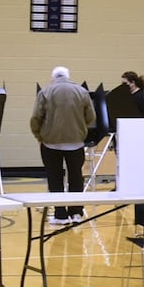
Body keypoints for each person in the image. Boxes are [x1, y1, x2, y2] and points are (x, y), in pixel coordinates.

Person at [30, 65, 96, 225]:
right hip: (76, 143)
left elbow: (36, 118)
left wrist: (39, 136)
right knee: (76, 177)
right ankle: (76, 213)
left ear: (53, 77)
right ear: (68, 76)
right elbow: (91, 116)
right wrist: (80, 129)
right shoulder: (81, 91)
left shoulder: (45, 92)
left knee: (55, 178)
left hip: (51, 143)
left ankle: (60, 215)